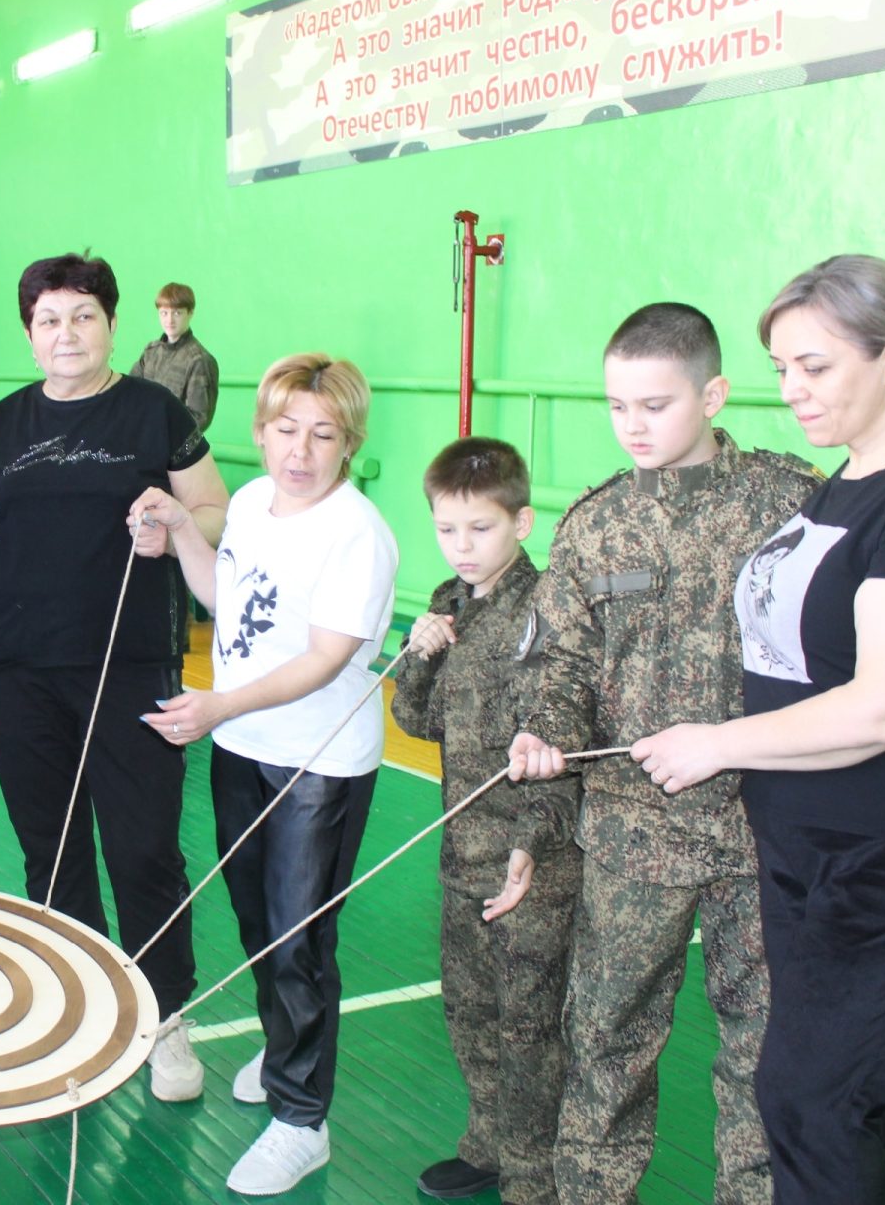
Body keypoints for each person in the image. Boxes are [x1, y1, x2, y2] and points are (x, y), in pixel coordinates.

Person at [629, 256, 885, 1204]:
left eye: (815, 367)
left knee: (810, 1101)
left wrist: (715, 743)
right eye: (782, 369)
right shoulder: (847, 480)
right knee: (856, 1101)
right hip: (814, 848)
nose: (792, 390)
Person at [509, 303, 821, 1205]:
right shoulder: (596, 525)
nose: (634, 427)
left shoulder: (794, 503)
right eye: (617, 407)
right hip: (632, 839)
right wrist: (543, 732)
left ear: (713, 395)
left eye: (655, 405)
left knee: (767, 1055)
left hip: (763, 833)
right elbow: (563, 664)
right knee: (606, 1044)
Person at [132, 353, 396, 1195]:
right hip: (243, 748)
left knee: (299, 941)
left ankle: (301, 1117)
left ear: (349, 443)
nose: (301, 451)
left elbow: (324, 659)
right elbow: (226, 599)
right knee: (258, 927)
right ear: (261, 430)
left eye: (324, 435)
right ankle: (285, 1051)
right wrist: (184, 529)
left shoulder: (358, 533)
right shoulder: (248, 503)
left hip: (317, 765)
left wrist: (219, 704)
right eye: (287, 430)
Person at [0, 251, 229, 1102]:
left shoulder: (154, 411)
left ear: (112, 325)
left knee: (142, 845)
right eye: (48, 319)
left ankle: (165, 1015)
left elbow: (215, 508)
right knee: (50, 851)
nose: (66, 333)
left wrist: (176, 521)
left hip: (130, 666)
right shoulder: (4, 424)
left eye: (83, 315)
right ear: (29, 334)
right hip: (20, 673)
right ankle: (76, 1008)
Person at [392, 437, 580, 1205]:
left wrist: (532, 842)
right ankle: (491, 1145)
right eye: (446, 529)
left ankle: (535, 1177)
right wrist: (421, 653)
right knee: (470, 1010)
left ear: (522, 523)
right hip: (463, 854)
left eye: (481, 528)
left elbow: (566, 742)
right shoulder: (451, 601)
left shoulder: (549, 611)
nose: (461, 547)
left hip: (530, 861)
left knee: (530, 1027)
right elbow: (416, 720)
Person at [129, 281, 219, 433]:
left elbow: (198, 419)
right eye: (164, 313)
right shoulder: (151, 352)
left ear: (190, 313)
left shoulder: (199, 360)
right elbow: (130, 392)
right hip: (143, 436)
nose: (169, 320)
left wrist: (158, 429)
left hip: (175, 444)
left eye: (177, 313)